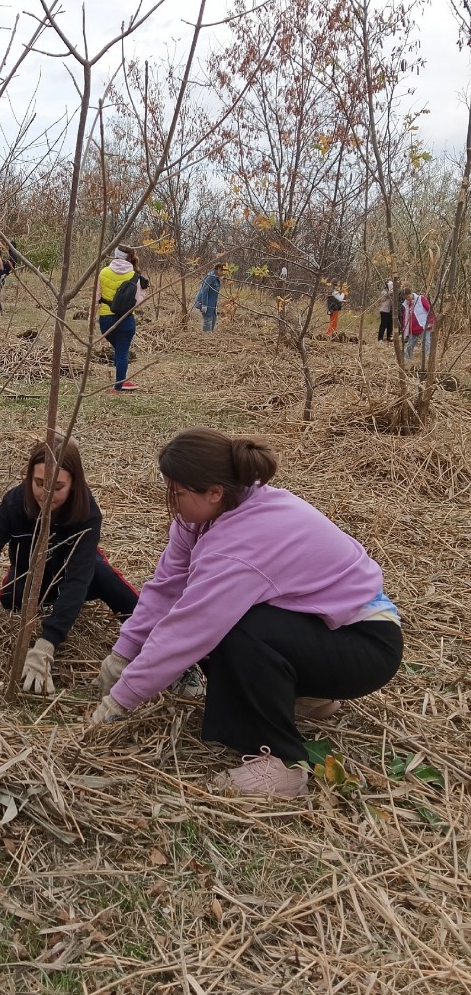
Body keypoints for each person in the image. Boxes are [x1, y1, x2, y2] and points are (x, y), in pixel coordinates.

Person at [90, 428, 403, 799]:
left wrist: (122, 698)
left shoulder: (242, 542)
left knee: (237, 630)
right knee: (238, 626)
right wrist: (123, 653)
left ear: (214, 492)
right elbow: (167, 586)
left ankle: (285, 764)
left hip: (363, 645)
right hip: (321, 629)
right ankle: (308, 700)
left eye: (177, 491)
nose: (169, 500)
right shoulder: (203, 516)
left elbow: (191, 629)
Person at [0, 436, 138, 695]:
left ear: (74, 484)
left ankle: (160, 653)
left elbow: (76, 582)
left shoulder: (87, 513)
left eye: (58, 486)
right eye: (39, 483)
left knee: (114, 586)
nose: (47, 494)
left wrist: (46, 643)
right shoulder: (15, 503)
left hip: (83, 578)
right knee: (10, 598)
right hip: (29, 579)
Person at [96, 245, 149, 392]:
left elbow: (96, 297)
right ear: (130, 257)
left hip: (106, 320)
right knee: (122, 352)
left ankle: (122, 379)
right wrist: (144, 291)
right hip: (125, 320)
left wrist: (91, 316)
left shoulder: (103, 272)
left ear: (115, 255)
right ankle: (119, 386)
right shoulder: (135, 276)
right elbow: (138, 302)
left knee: (119, 351)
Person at [401, 288, 434, 363]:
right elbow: (405, 318)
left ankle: (427, 361)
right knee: (409, 346)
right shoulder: (406, 305)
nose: (407, 299)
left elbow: (429, 310)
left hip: (424, 326)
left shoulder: (420, 299)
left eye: (408, 296)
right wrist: (405, 329)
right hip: (413, 328)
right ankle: (408, 361)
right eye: (405, 298)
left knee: (426, 344)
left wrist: (431, 321)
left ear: (411, 293)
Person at [194, 262, 224, 333]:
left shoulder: (217, 278)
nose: (224, 273)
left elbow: (215, 293)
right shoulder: (211, 276)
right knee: (208, 322)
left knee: (214, 320)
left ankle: (210, 337)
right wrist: (204, 304)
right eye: (223, 271)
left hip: (212, 304)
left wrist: (215, 305)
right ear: (219, 269)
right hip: (206, 303)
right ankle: (206, 338)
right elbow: (204, 290)